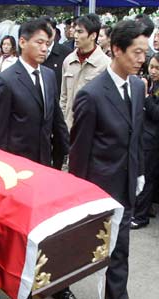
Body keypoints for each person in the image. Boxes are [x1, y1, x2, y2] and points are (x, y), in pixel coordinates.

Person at [69, 20, 148, 299]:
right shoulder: (91, 95)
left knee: (119, 250)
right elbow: (78, 152)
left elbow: (136, 133)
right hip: (100, 188)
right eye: (136, 52)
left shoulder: (138, 87)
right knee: (92, 252)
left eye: (145, 52)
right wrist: (79, 196)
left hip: (126, 185)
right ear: (116, 49)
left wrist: (138, 171)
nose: (143, 59)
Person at [0, 18, 69, 171]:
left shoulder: (49, 76)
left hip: (45, 161)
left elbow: (56, 119)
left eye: (47, 44)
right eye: (39, 43)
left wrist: (65, 151)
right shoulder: (5, 81)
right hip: (17, 167)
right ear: (22, 42)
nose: (44, 48)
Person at [60, 14, 111, 130]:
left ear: (93, 35)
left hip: (92, 131)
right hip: (68, 129)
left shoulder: (106, 64)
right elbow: (63, 98)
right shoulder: (68, 61)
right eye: (75, 31)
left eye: (80, 32)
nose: (75, 35)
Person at [131, 53, 159, 229]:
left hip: (153, 140)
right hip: (145, 135)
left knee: (147, 177)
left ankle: (141, 216)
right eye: (152, 67)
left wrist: (147, 97)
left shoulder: (150, 87)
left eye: (157, 68)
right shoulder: (150, 83)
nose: (153, 71)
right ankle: (143, 209)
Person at [42, 16, 72, 95]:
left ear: (54, 32)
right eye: (42, 31)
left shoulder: (67, 53)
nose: (46, 34)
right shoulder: (32, 52)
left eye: (49, 30)